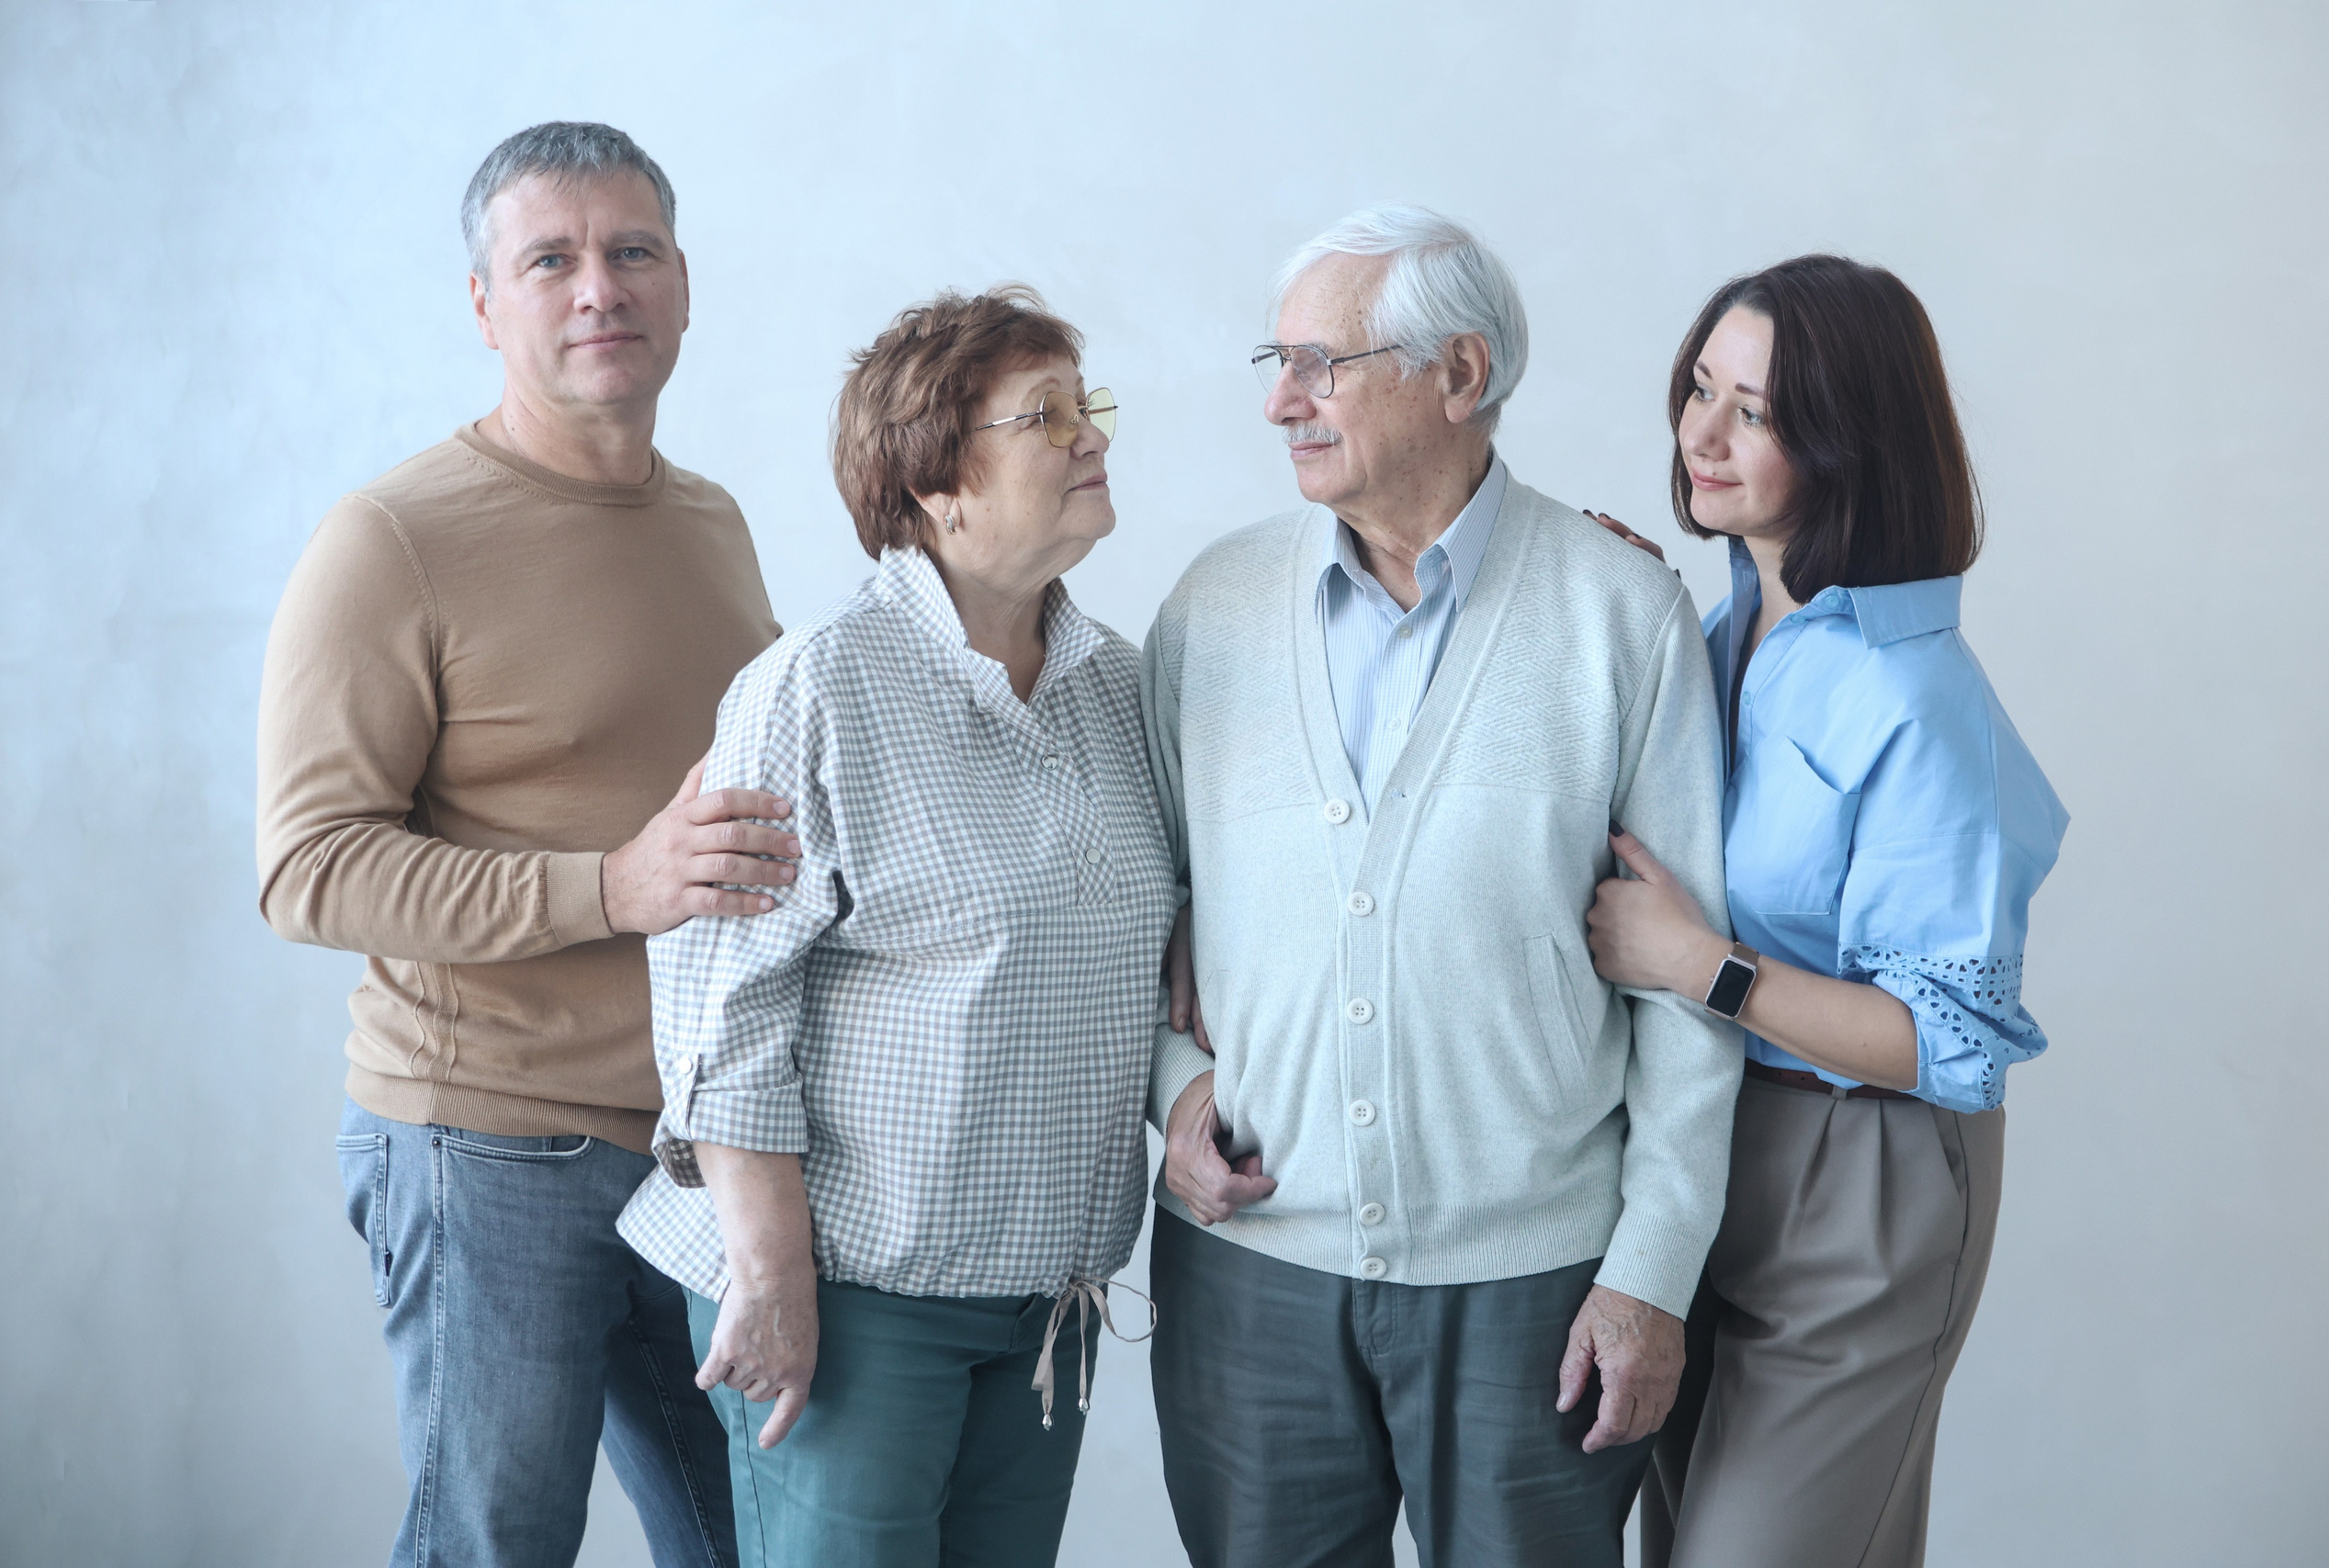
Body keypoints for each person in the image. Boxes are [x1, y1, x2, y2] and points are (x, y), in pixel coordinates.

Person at [1143, 205, 1741, 1567]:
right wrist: (1173, 1087)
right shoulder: (1211, 611)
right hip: (1250, 1271)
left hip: (1541, 1291)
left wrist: (1653, 1273)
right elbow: (1136, 914)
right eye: (1277, 363)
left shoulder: (1619, 614)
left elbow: (1687, 987)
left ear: (1460, 375)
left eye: (1322, 364)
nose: (1281, 402)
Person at [257, 121, 799, 1568]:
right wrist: (611, 886)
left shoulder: (711, 522)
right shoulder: (392, 539)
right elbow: (308, 867)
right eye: (550, 259)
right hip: (486, 1146)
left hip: (697, 1151)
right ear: (485, 305)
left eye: (633, 251)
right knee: (496, 1547)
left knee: (756, 1543)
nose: (599, 287)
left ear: (684, 283)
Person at [614, 287, 1176, 1568]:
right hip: (850, 1304)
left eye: (1086, 405)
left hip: (1047, 1308)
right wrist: (773, 1281)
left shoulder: (1121, 687)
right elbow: (723, 1009)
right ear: (935, 485)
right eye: (1046, 416)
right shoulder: (816, 686)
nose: (1092, 436)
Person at [1583, 255, 2068, 1568]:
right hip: (1700, 1151)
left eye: (1756, 413)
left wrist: (1704, 966)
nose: (1702, 434)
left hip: (1862, 1179)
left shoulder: (1919, 698)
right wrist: (1609, 610)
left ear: (1852, 443)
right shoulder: (1731, 626)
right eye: (1701, 388)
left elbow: (1946, 1042)